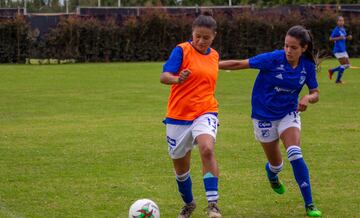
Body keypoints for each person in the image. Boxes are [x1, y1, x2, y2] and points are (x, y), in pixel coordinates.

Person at [219, 25, 322, 217]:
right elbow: (240, 64)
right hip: (263, 116)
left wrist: (307, 98)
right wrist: (210, 64)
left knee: (294, 153)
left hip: (288, 114)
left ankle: (310, 204)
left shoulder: (307, 66)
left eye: (293, 47)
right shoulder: (273, 58)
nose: (288, 51)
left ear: (304, 48)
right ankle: (273, 174)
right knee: (276, 164)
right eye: (286, 46)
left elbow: (315, 93)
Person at [160, 14, 221, 218]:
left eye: (206, 38)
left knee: (207, 148)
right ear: (192, 34)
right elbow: (164, 76)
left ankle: (213, 205)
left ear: (213, 37)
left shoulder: (214, 56)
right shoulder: (181, 50)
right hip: (178, 116)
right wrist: (177, 79)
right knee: (181, 169)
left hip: (205, 111)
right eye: (197, 36)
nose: (201, 41)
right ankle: (189, 203)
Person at [328, 16, 352, 84]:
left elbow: (343, 38)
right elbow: (330, 39)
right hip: (338, 50)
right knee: (344, 65)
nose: (341, 22)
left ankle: (332, 71)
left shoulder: (343, 29)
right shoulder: (336, 29)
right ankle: (338, 80)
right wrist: (339, 38)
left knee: (347, 65)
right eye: (340, 20)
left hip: (343, 50)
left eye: (342, 20)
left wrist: (348, 37)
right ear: (337, 22)